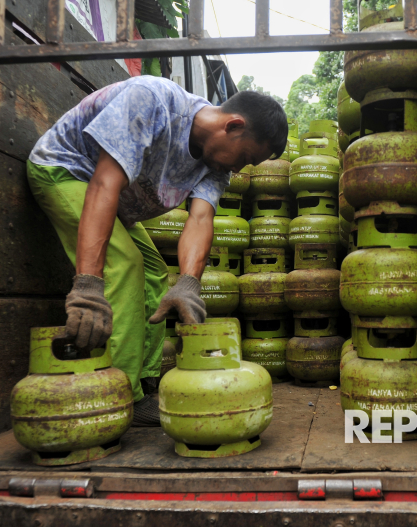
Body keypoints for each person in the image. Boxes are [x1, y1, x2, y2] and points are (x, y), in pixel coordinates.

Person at [26, 76, 288, 426]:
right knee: (126, 265)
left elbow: (200, 219)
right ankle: (112, 394)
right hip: (65, 170)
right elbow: (104, 182)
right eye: (245, 157)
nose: (239, 168)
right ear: (233, 125)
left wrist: (188, 283)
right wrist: (88, 284)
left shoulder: (216, 165)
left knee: (154, 273)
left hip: (117, 203)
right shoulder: (152, 100)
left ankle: (141, 386)